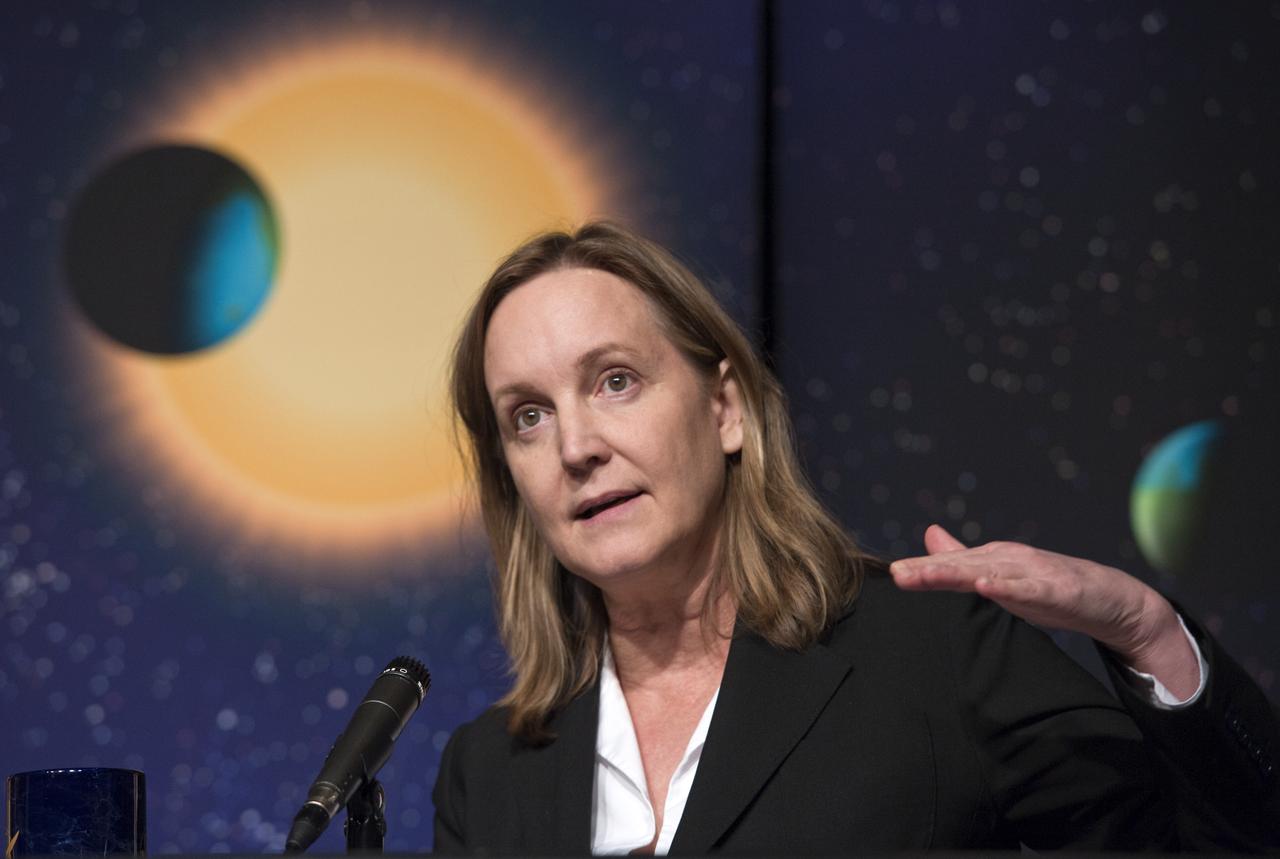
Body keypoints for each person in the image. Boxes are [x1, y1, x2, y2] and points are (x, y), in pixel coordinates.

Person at [433, 221, 1278, 853]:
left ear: (724, 408)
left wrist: (1148, 633)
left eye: (615, 381)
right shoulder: (490, 772)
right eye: (528, 416)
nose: (576, 446)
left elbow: (1219, 841)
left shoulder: (933, 653)